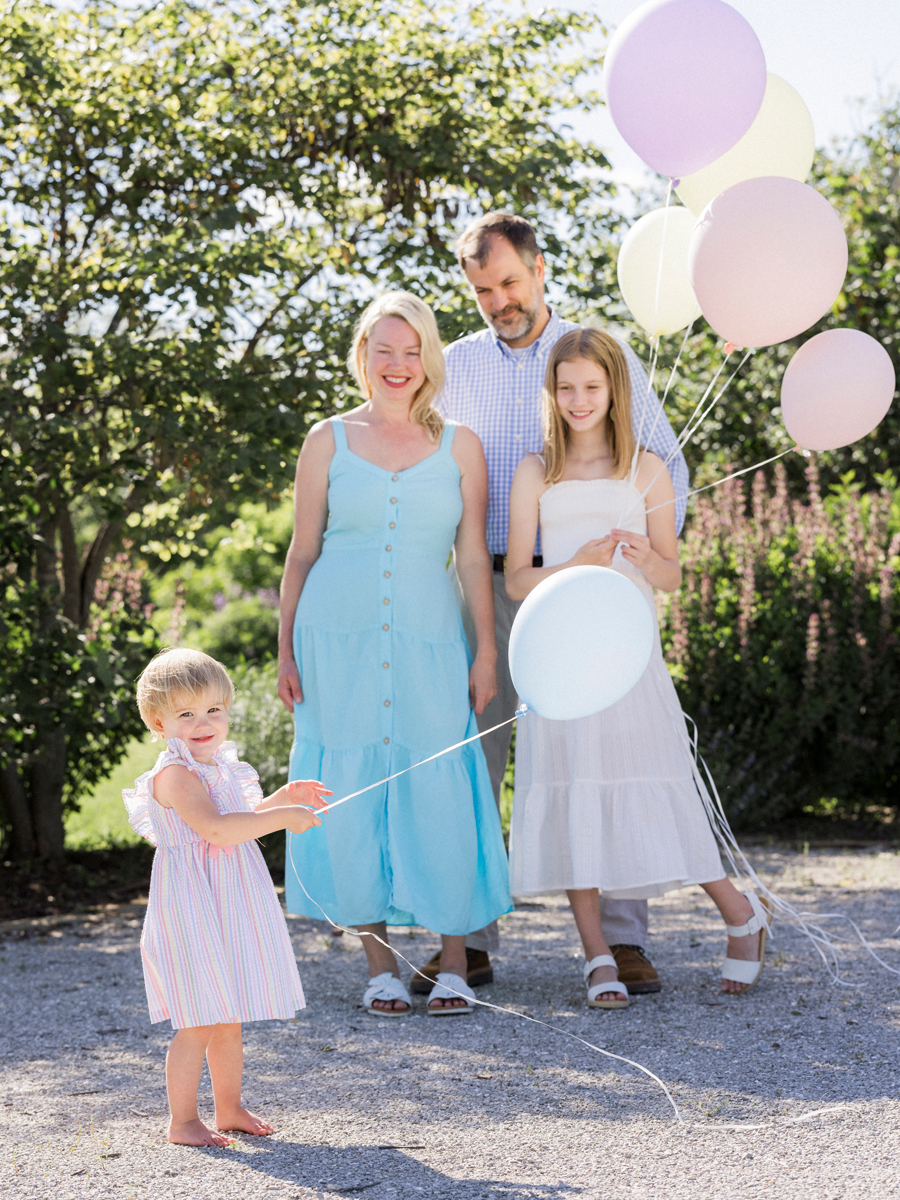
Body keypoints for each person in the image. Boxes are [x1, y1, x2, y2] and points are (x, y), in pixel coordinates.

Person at [413, 212, 689, 997]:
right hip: (489, 582)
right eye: (481, 289)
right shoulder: (455, 366)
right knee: (477, 758)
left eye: (507, 281)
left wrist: (637, 560)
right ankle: (467, 942)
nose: (497, 299)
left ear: (538, 268)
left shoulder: (595, 353)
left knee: (608, 752)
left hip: (594, 595)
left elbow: (662, 458)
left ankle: (625, 943)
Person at [505, 328, 770, 1008]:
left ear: (615, 391)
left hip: (627, 656)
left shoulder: (646, 468)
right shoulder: (537, 471)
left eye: (591, 387)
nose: (578, 399)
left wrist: (640, 559)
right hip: (560, 659)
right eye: (566, 387)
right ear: (552, 393)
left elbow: (671, 574)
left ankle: (742, 915)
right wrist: (577, 566)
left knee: (663, 787)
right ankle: (597, 955)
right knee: (573, 794)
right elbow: (514, 581)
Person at [277, 290, 512, 1017]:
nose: (398, 364)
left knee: (440, 783)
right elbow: (301, 551)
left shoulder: (460, 445)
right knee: (352, 795)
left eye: (412, 351)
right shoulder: (328, 440)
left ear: (429, 358)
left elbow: (474, 558)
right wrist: (284, 647)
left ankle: (451, 963)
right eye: (384, 350)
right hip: (334, 641)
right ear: (362, 357)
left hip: (431, 640)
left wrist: (485, 653)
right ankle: (378, 965)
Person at [123, 648, 331, 1146]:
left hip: (227, 903)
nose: (204, 722)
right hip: (193, 908)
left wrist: (282, 798)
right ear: (159, 721)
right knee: (198, 1018)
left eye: (214, 709)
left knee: (228, 1014)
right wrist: (281, 820)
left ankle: (230, 1106)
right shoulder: (174, 775)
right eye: (186, 713)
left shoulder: (219, 766)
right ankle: (182, 1121)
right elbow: (217, 830)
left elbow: (243, 815)